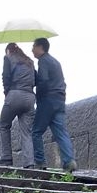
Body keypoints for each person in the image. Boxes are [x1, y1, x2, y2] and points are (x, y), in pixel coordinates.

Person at [30, 37, 78, 172]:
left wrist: (37, 92)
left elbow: (43, 81)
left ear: (41, 47)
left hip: (47, 100)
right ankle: (69, 161)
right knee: (61, 132)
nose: (32, 49)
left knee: (36, 132)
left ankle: (40, 161)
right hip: (60, 100)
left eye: (33, 46)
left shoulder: (43, 61)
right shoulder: (56, 62)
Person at [0, 43, 37, 168]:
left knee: (4, 124)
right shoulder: (29, 61)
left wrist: (7, 93)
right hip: (30, 97)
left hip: (15, 94)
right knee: (27, 132)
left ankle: (6, 157)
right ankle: (29, 163)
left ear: (8, 50)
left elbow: (6, 77)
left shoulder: (8, 58)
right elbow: (35, 79)